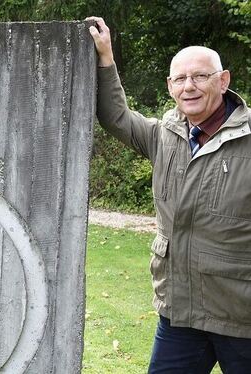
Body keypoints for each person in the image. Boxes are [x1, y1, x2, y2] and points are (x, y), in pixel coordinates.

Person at [87, 16, 251, 373]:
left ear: (223, 81)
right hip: (181, 314)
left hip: (242, 319)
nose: (189, 86)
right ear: (170, 86)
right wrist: (106, 58)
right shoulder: (165, 135)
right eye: (180, 79)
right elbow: (116, 117)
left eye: (200, 76)